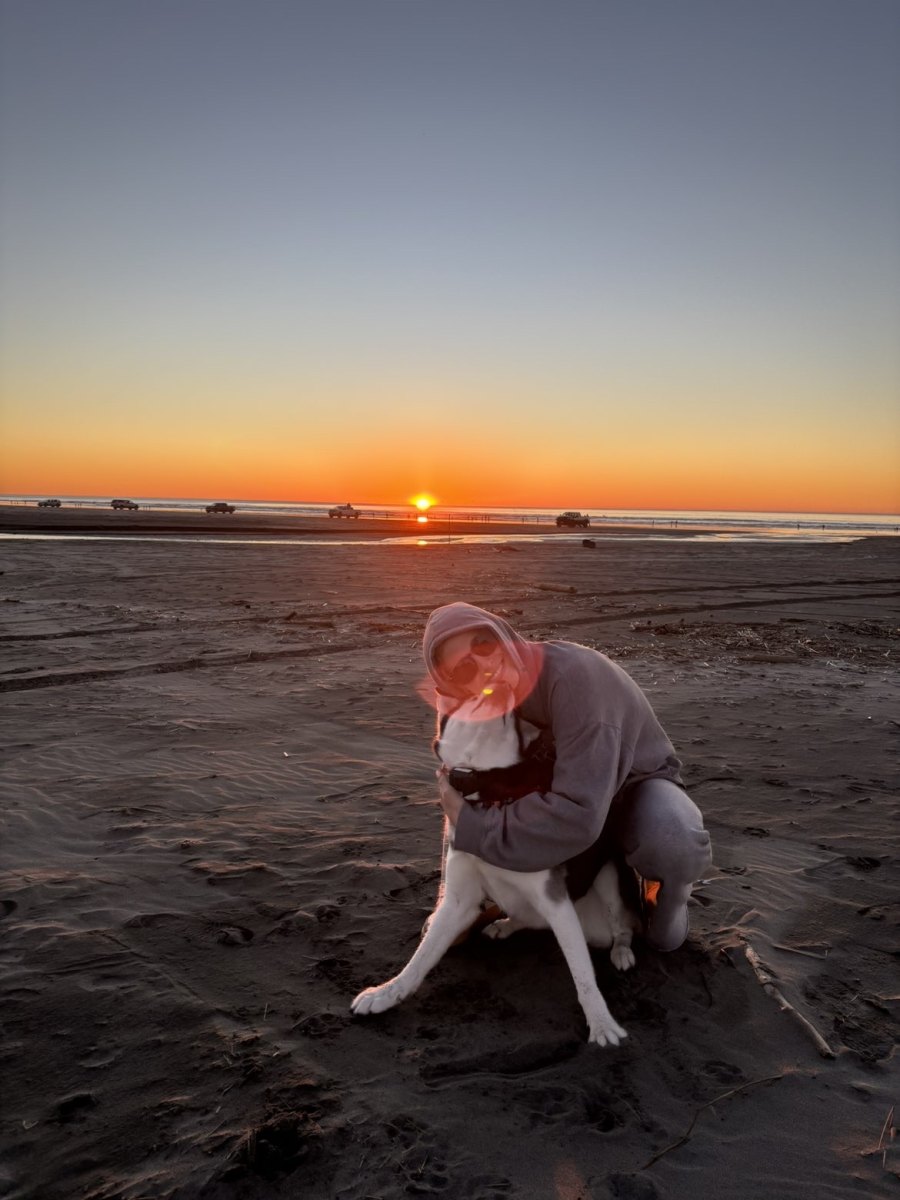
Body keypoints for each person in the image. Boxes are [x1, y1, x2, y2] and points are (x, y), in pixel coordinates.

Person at [424, 601, 712, 951]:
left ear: (503, 635)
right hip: (559, 795)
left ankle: (661, 891)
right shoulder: (472, 706)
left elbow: (577, 815)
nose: (483, 665)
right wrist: (450, 898)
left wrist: (477, 829)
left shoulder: (575, 678)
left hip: (633, 785)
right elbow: (457, 798)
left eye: (484, 644)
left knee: (673, 849)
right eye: (464, 668)